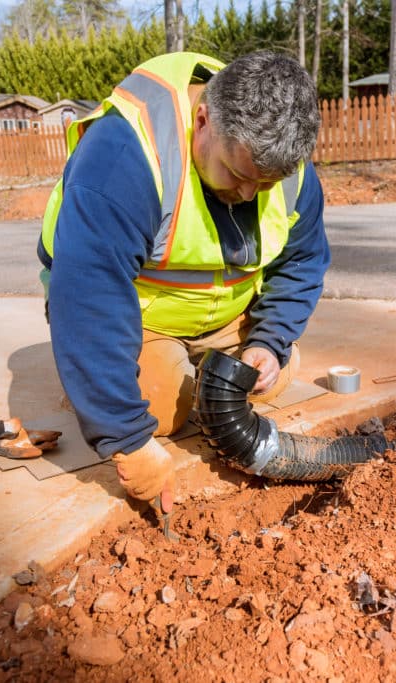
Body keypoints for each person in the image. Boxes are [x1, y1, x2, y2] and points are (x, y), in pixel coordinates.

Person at [37, 50, 328, 529]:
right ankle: (94, 376)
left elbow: (302, 262)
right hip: (134, 313)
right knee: (157, 411)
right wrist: (125, 437)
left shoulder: (289, 169)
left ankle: (203, 362)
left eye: (266, 183)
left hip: (225, 313)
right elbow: (90, 297)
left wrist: (268, 342)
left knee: (279, 373)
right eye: (238, 175)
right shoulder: (125, 157)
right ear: (203, 119)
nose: (249, 195)